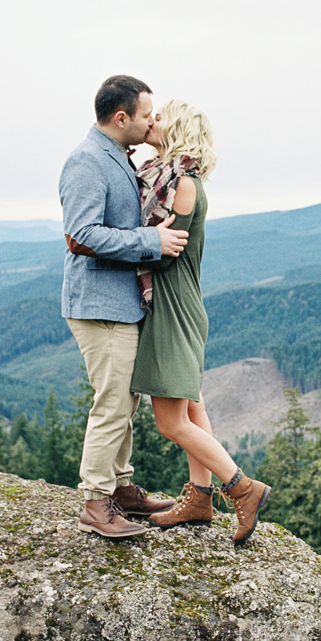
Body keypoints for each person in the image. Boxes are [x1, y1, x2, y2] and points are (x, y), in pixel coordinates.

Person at [129, 99, 271, 544]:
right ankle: (200, 498)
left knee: (171, 422)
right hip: (179, 304)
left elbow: (159, 245)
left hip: (173, 307)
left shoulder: (183, 184)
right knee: (193, 405)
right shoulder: (172, 178)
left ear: (176, 131)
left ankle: (241, 488)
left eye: (159, 119)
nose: (152, 122)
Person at [61, 74, 189, 538]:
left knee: (125, 398)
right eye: (147, 115)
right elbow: (81, 235)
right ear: (122, 118)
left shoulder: (116, 156)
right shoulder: (87, 161)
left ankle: (121, 487)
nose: (152, 121)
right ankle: (97, 503)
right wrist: (150, 239)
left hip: (118, 303)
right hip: (98, 303)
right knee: (113, 401)